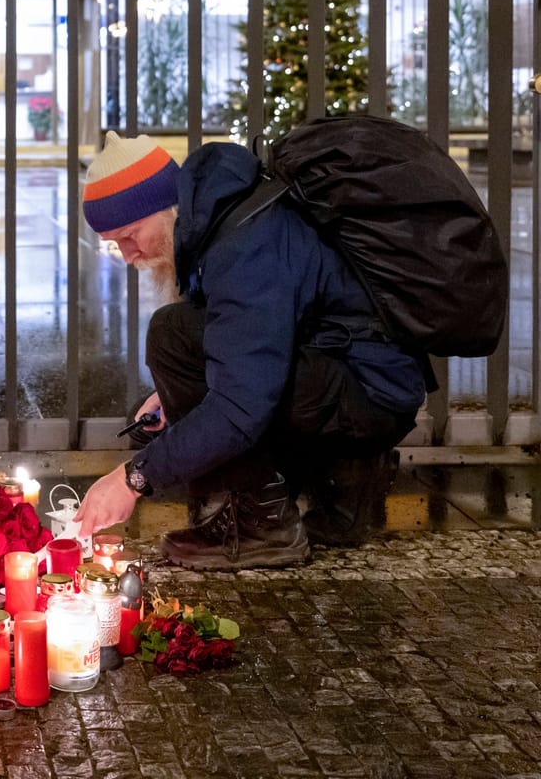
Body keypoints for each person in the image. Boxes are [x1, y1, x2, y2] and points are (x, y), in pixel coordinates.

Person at [71, 132, 426, 569]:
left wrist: (133, 480)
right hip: (342, 375)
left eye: (129, 235)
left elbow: (241, 405)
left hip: (371, 393)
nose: (127, 255)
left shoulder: (244, 244)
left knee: (173, 335)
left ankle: (264, 525)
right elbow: (242, 342)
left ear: (164, 207)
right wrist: (171, 398)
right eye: (114, 243)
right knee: (159, 414)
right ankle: (340, 477)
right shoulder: (218, 220)